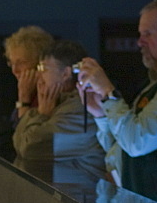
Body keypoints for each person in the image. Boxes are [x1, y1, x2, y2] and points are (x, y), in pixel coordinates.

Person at [76, 0, 157, 203]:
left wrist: (109, 93)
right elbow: (122, 147)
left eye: (147, 34)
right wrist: (100, 113)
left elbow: (136, 143)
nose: (139, 42)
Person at [12, 39, 104, 179]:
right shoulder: (56, 103)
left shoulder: (80, 109)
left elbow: (29, 150)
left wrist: (41, 115)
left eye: (44, 69)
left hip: (87, 196)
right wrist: (40, 113)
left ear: (66, 74)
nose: (38, 76)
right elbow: (18, 142)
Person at [4, 26, 55, 123]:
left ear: (39, 63)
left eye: (21, 63)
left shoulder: (48, 96)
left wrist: (24, 99)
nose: (14, 70)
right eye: (12, 64)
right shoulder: (29, 91)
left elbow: (25, 135)